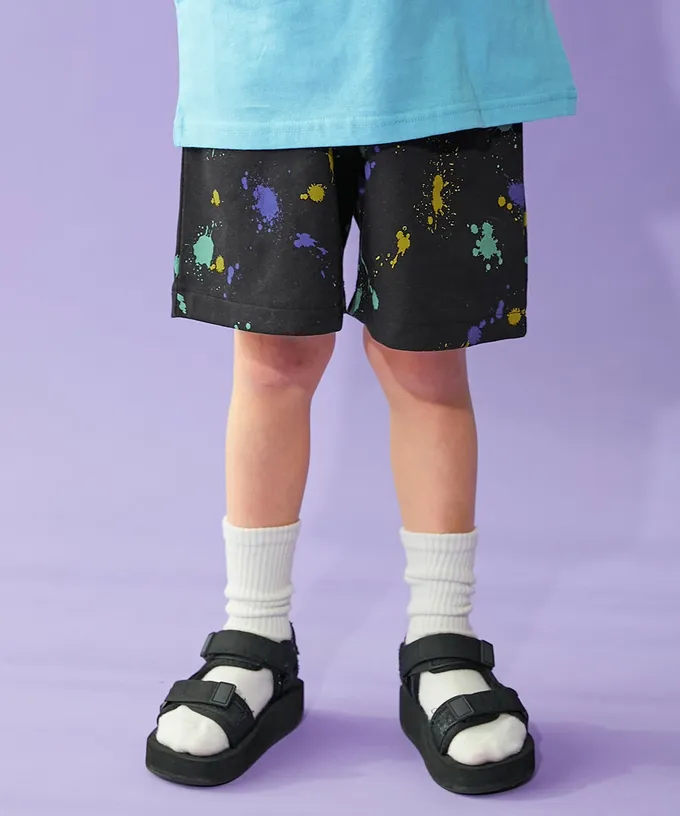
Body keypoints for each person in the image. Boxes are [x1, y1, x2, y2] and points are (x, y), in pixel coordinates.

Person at [145, 0, 576, 795]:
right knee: (272, 357)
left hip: (440, 50)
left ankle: (443, 638)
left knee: (427, 360)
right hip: (263, 53)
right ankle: (254, 635)